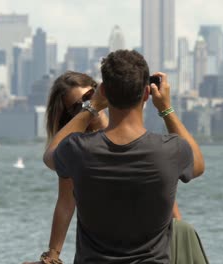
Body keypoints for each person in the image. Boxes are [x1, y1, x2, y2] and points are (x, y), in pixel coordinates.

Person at [41, 50, 206, 263]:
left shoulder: (76, 151)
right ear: (146, 93)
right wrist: (166, 108)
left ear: (103, 92)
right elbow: (198, 164)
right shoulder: (169, 150)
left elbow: (50, 155)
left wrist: (91, 108)